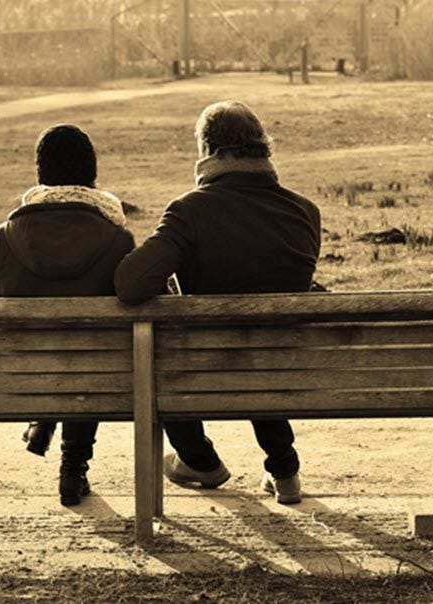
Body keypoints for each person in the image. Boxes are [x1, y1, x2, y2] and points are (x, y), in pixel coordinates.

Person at [114, 101, 321, 504]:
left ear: (211, 151)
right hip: (287, 369)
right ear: (263, 150)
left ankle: (200, 460)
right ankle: (284, 469)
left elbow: (130, 283)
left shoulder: (190, 211)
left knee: (160, 346)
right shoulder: (305, 213)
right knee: (263, 333)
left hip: (204, 369)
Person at [0, 124, 135, 506]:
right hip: (95, 372)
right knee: (89, 354)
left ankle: (44, 418)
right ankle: (73, 467)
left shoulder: (4, 236)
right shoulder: (117, 237)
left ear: (40, 175)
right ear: (92, 175)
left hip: (24, 374)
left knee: (55, 352)